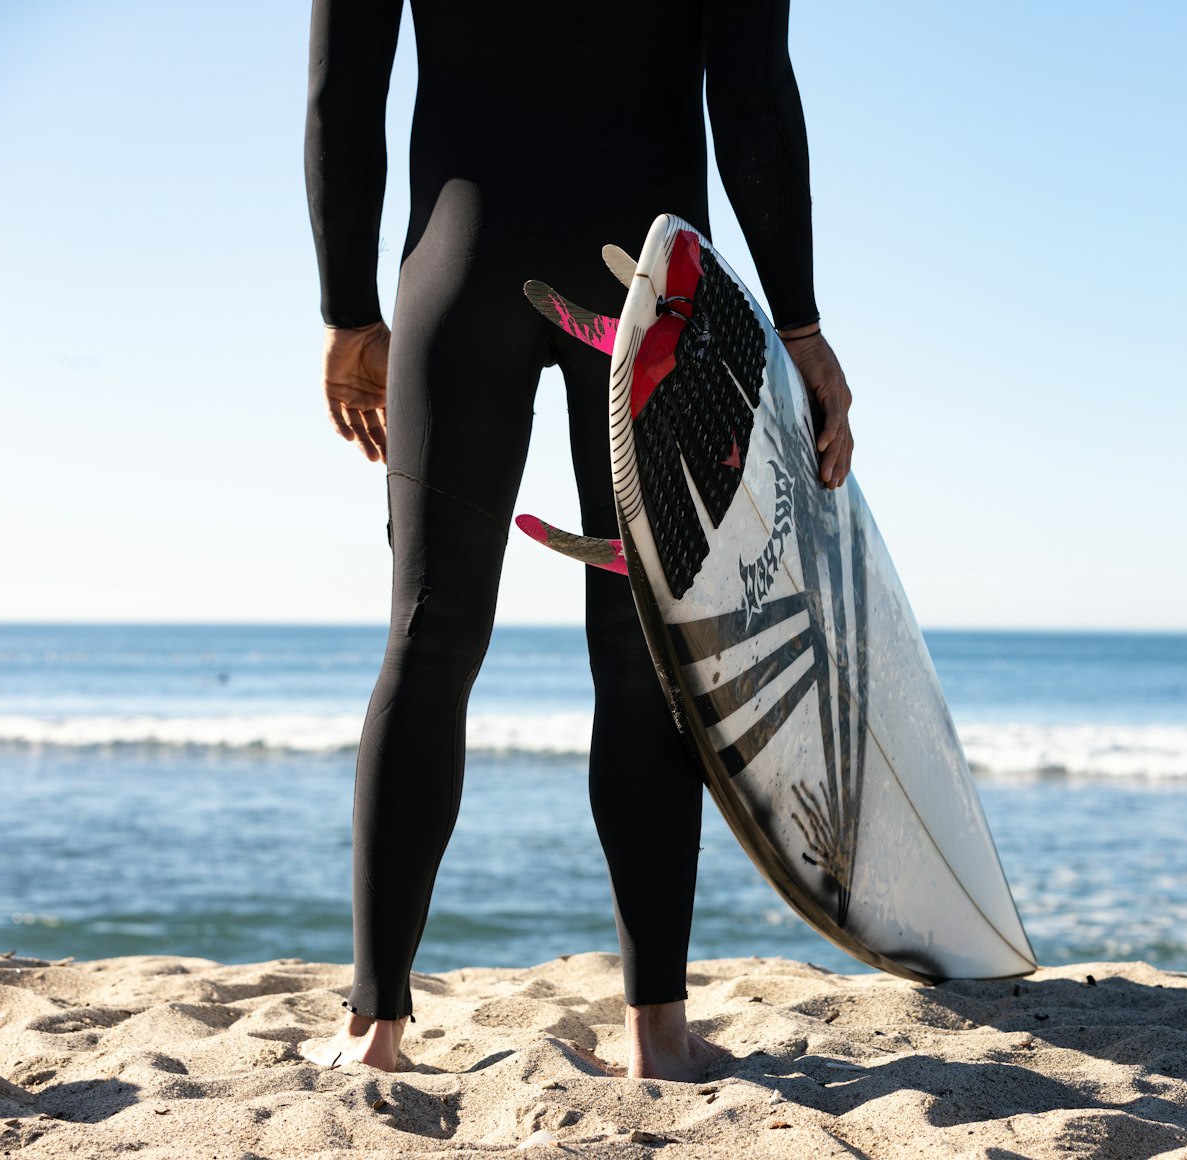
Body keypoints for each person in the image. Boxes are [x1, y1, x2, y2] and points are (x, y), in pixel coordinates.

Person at [296, 0, 853, 1082]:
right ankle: (658, 1031)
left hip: (461, 271)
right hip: (651, 288)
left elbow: (341, 92)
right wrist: (798, 321)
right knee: (650, 660)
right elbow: (751, 86)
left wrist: (346, 310)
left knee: (430, 633)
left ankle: (374, 1030)